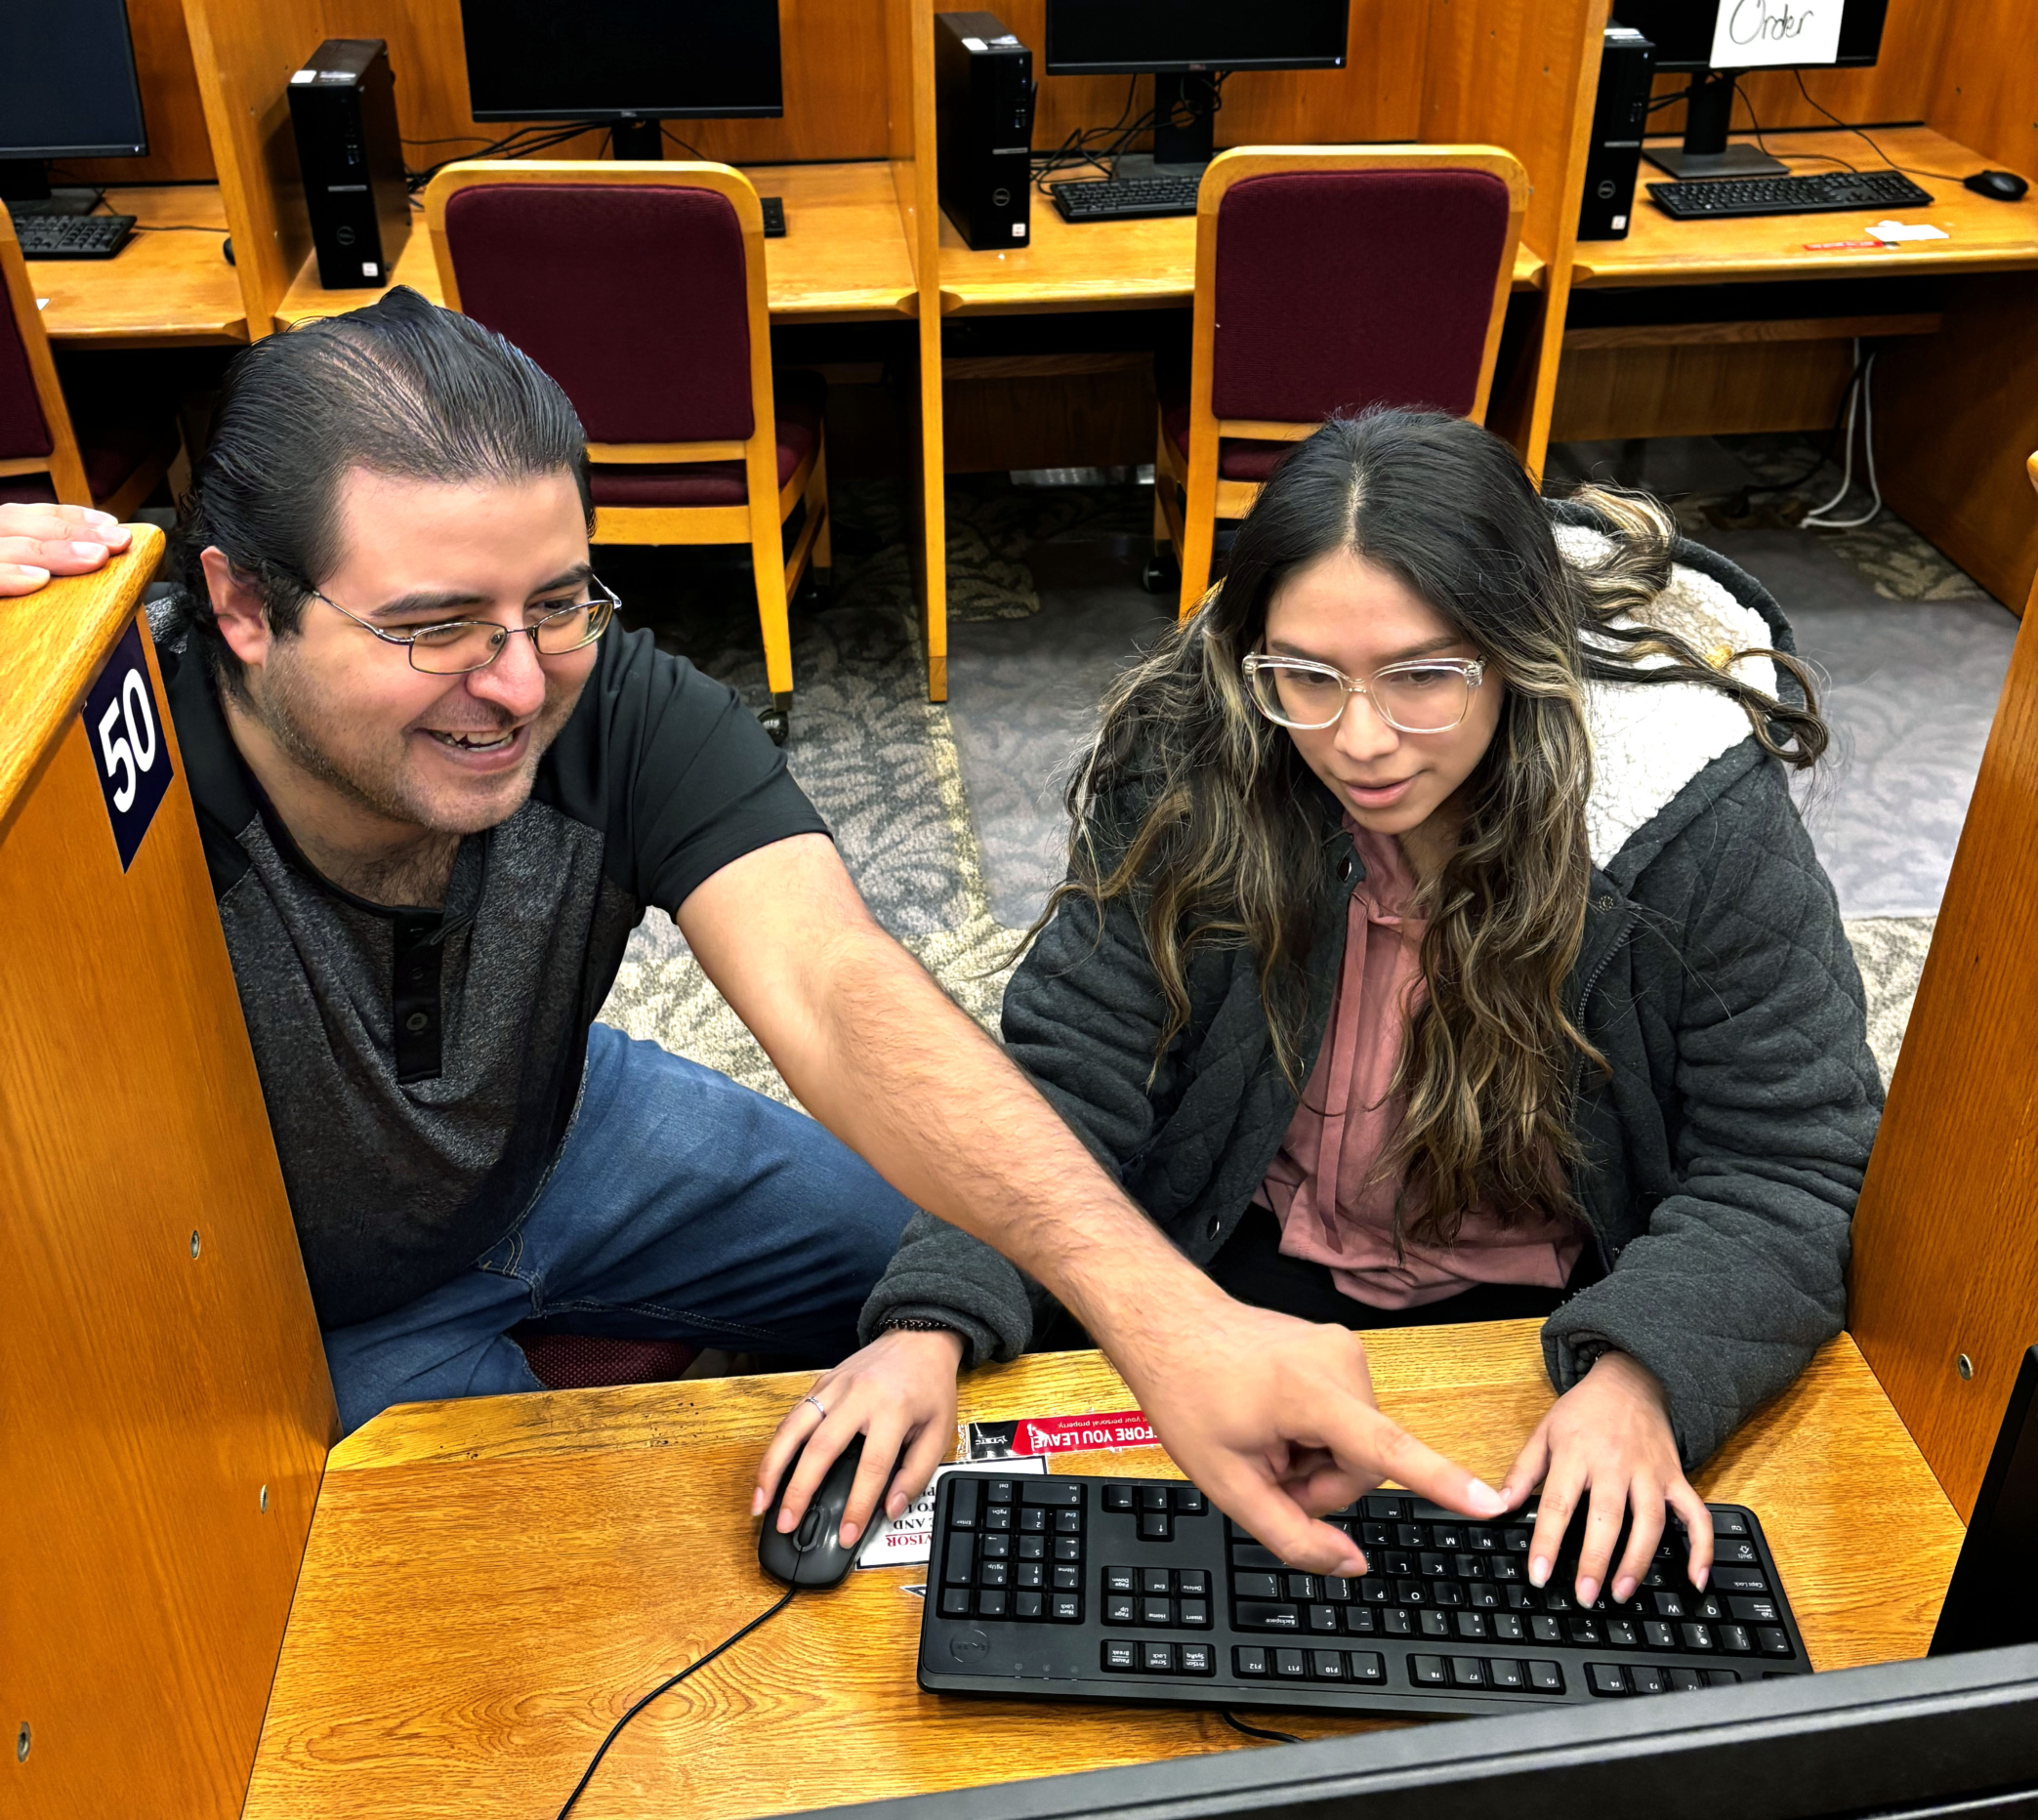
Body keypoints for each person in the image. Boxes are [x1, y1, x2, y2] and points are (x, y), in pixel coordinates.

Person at [0, 296, 1505, 1573]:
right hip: (320, 1291)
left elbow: (839, 987)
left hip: (559, 1134)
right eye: (434, 626)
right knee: (503, 1577)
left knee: (939, 1269)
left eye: (557, 602)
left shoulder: (615, 703)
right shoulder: (100, 768)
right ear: (245, 610)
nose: (518, 686)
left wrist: (1168, 1322)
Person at [781, 409, 1881, 1610]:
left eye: (1420, 677)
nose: (1358, 740)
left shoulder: (1692, 819)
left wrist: (1642, 1373)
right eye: (1307, 676)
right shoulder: (1199, 748)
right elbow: (1067, 1068)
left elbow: (1790, 1162)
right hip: (1221, 1266)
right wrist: (930, 1318)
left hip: (1558, 1313)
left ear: (1519, 651)